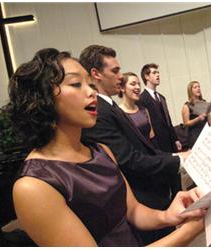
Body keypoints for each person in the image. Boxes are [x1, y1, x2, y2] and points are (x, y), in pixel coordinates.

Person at [7, 48, 205, 247]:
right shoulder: (33, 185)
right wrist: (188, 232)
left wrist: (169, 215)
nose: (92, 91)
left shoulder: (102, 151)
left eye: (90, 84)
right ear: (42, 99)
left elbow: (133, 212)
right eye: (76, 84)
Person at [79, 45, 190, 244]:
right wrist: (177, 160)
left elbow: (142, 147)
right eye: (115, 71)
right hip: (139, 199)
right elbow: (128, 159)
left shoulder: (109, 106)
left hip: (150, 193)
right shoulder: (100, 111)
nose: (120, 76)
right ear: (96, 74)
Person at [139, 63, 182, 153]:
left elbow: (168, 120)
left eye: (158, 73)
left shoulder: (162, 98)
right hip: (157, 145)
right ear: (146, 76)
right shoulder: (141, 99)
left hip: (170, 143)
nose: (158, 75)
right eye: (154, 73)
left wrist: (175, 139)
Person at [118, 72, 158, 148]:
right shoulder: (119, 113)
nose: (138, 87)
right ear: (122, 88)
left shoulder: (144, 110)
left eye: (139, 84)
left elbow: (152, 137)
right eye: (133, 84)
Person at [181, 81, 208, 148]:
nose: (198, 89)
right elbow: (186, 123)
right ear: (190, 90)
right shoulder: (186, 106)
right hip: (195, 135)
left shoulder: (204, 102)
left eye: (199, 87)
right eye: (195, 87)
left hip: (205, 132)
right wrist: (198, 119)